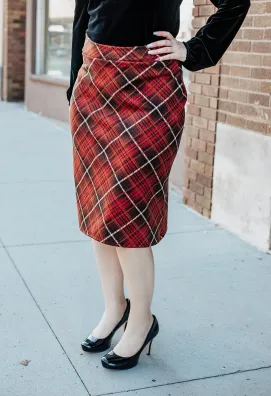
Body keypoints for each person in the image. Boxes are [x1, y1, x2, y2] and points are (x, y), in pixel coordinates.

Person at [67, 0, 250, 371]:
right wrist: (74, 87)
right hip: (94, 85)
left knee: (127, 214)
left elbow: (235, 2)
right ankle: (115, 307)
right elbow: (82, 16)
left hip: (149, 89)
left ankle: (141, 322)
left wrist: (193, 50)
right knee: (99, 211)